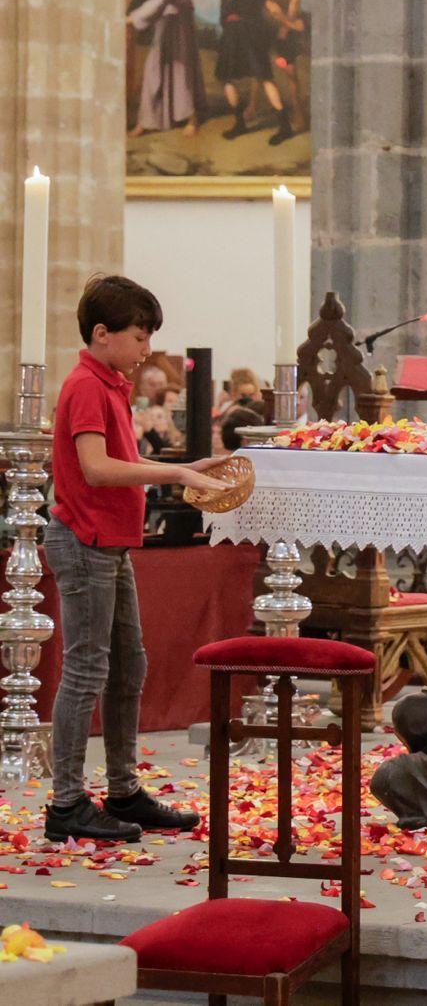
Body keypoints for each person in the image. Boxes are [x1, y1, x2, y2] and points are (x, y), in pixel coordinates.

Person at [42, 276, 228, 843]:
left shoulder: (110, 385)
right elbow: (97, 469)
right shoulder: (85, 386)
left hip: (111, 542)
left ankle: (122, 788)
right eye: (140, 336)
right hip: (84, 541)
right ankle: (66, 802)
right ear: (102, 334)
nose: (148, 349)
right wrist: (176, 471)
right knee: (86, 670)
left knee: (129, 666)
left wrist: (197, 464)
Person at [179, 0, 294, 145]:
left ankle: (240, 123)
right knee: (265, 77)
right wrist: (288, 23)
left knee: (226, 78)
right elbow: (273, 8)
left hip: (236, 32)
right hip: (254, 33)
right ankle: (284, 127)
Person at [126, 0, 202, 138]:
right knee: (153, 68)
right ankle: (146, 121)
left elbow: (159, 0)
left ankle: (192, 118)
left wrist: (132, 18)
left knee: (181, 70)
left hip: (179, 24)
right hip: (163, 22)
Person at [256, 0, 307, 137]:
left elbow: (294, 5)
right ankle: (252, 106)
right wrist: (267, 3)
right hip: (263, 25)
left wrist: (285, 28)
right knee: (259, 68)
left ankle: (298, 113)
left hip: (285, 25)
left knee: (289, 70)